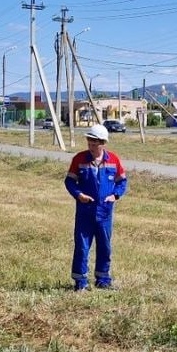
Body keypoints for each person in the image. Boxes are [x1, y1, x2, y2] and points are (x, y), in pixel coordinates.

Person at [65, 123, 128, 290]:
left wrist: (115, 195)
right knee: (82, 246)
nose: (91, 147)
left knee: (105, 247)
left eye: (95, 144)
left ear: (103, 143)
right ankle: (81, 282)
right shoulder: (79, 159)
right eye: (89, 143)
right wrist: (79, 195)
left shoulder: (113, 160)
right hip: (85, 212)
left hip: (105, 213)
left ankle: (103, 279)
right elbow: (70, 181)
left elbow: (122, 182)